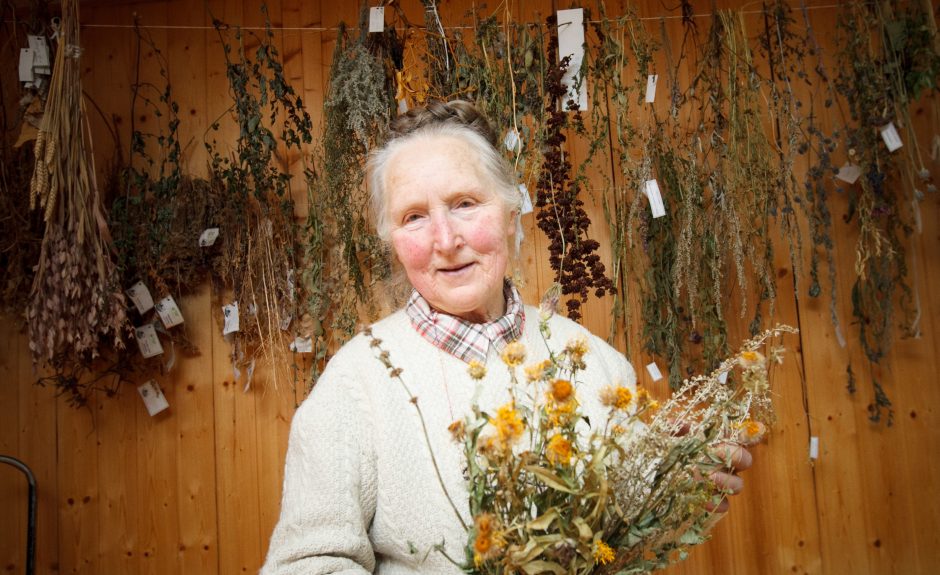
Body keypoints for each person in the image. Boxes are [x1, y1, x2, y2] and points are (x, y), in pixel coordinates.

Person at [260, 100, 752, 574]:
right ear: (391, 240)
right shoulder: (356, 382)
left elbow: (621, 543)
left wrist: (669, 483)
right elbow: (309, 566)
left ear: (511, 209)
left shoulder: (596, 364)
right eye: (413, 216)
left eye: (465, 204)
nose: (446, 240)